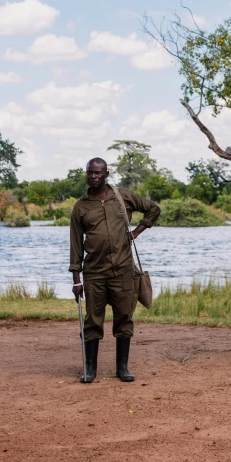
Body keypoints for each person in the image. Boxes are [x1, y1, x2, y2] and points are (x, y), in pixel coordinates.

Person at [69, 157, 160, 383]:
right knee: (92, 321)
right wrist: (76, 279)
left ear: (106, 174)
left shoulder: (123, 197)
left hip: (123, 271)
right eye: (90, 173)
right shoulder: (80, 206)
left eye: (98, 173)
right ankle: (90, 370)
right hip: (94, 273)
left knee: (124, 318)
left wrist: (135, 233)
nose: (93, 176)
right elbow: (75, 244)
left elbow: (153, 210)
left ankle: (122, 368)